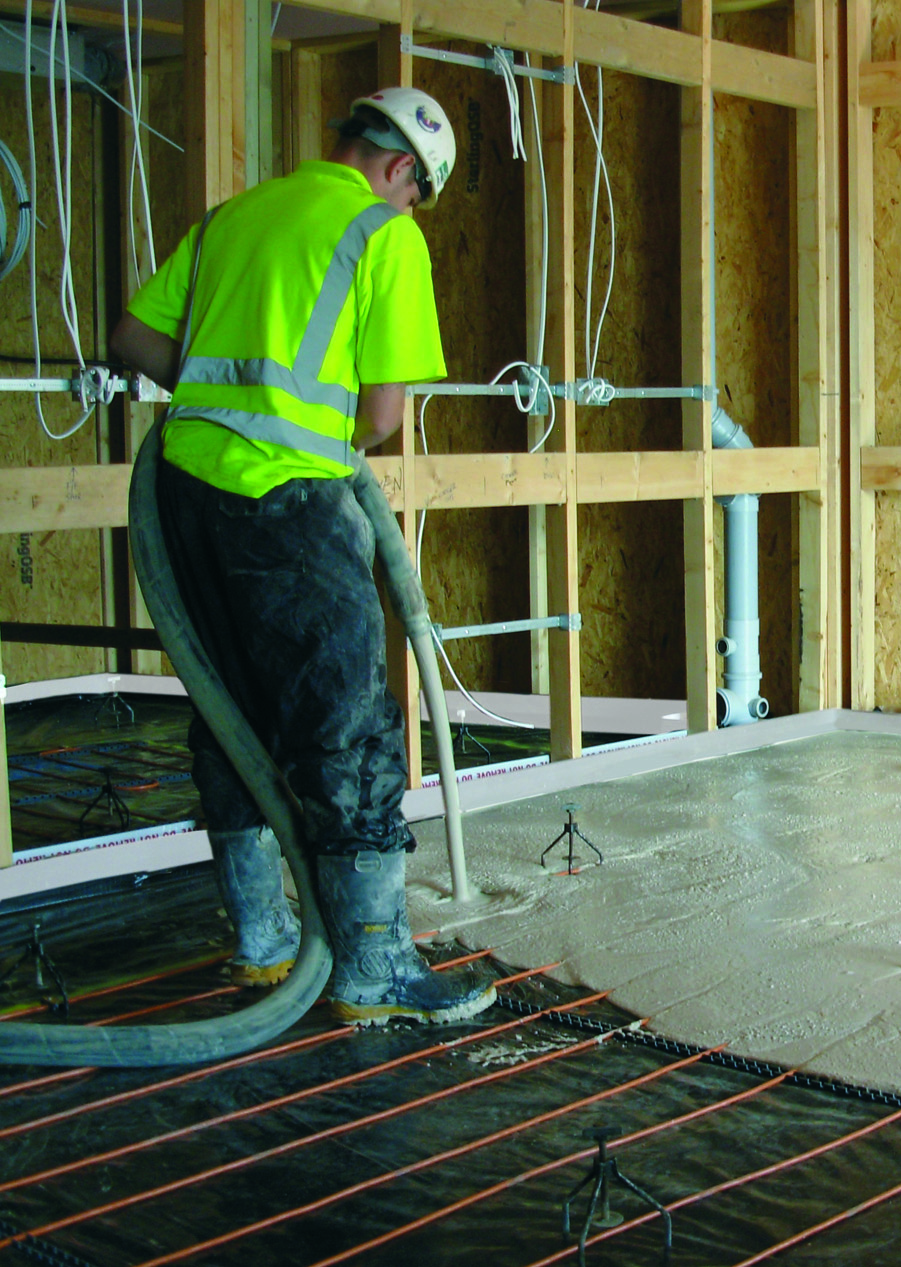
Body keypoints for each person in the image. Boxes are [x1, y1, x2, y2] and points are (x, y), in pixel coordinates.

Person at [110, 88, 493, 1027]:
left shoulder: (232, 218)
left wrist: (219, 402)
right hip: (290, 505)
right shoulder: (385, 236)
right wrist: (287, 423)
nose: (411, 207)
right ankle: (372, 967)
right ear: (402, 170)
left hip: (185, 499)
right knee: (348, 728)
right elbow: (381, 417)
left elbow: (132, 339)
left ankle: (264, 938)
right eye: (417, 193)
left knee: (228, 710)